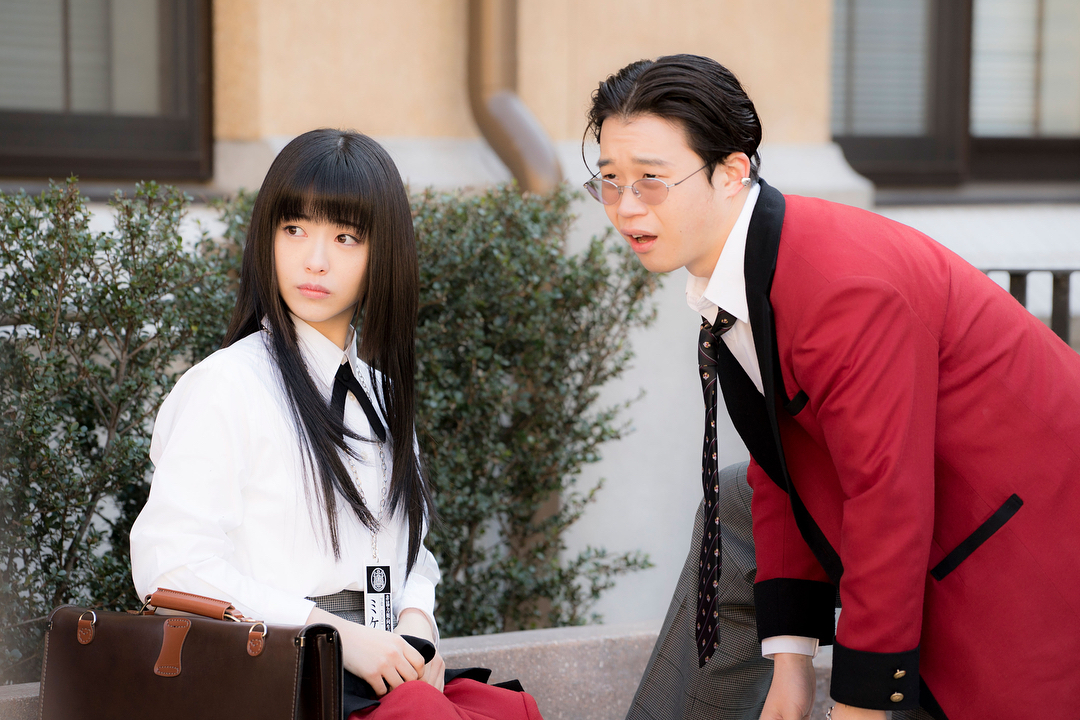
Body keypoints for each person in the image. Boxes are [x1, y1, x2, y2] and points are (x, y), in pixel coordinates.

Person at [583, 55, 1080, 720]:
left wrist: (858, 703)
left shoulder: (840, 288)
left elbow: (886, 497)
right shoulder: (740, 268)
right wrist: (790, 666)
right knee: (736, 504)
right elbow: (783, 463)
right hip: (937, 496)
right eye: (610, 181)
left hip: (1032, 521)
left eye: (651, 180)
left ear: (731, 172)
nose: (626, 208)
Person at [130, 129, 542, 720]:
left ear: (383, 255)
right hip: (273, 676)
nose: (315, 260)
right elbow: (171, 566)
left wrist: (417, 625)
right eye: (294, 229)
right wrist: (335, 635)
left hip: (375, 669)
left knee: (511, 710)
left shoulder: (382, 393)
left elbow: (409, 551)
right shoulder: (228, 385)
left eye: (345, 237)